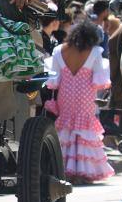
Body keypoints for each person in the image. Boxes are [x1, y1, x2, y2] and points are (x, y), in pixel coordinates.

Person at [45, 20, 114, 184]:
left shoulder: (59, 50)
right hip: (85, 94)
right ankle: (82, 171)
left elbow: (53, 80)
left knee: (66, 128)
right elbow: (100, 80)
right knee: (84, 129)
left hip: (65, 95)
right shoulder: (95, 52)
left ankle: (64, 170)